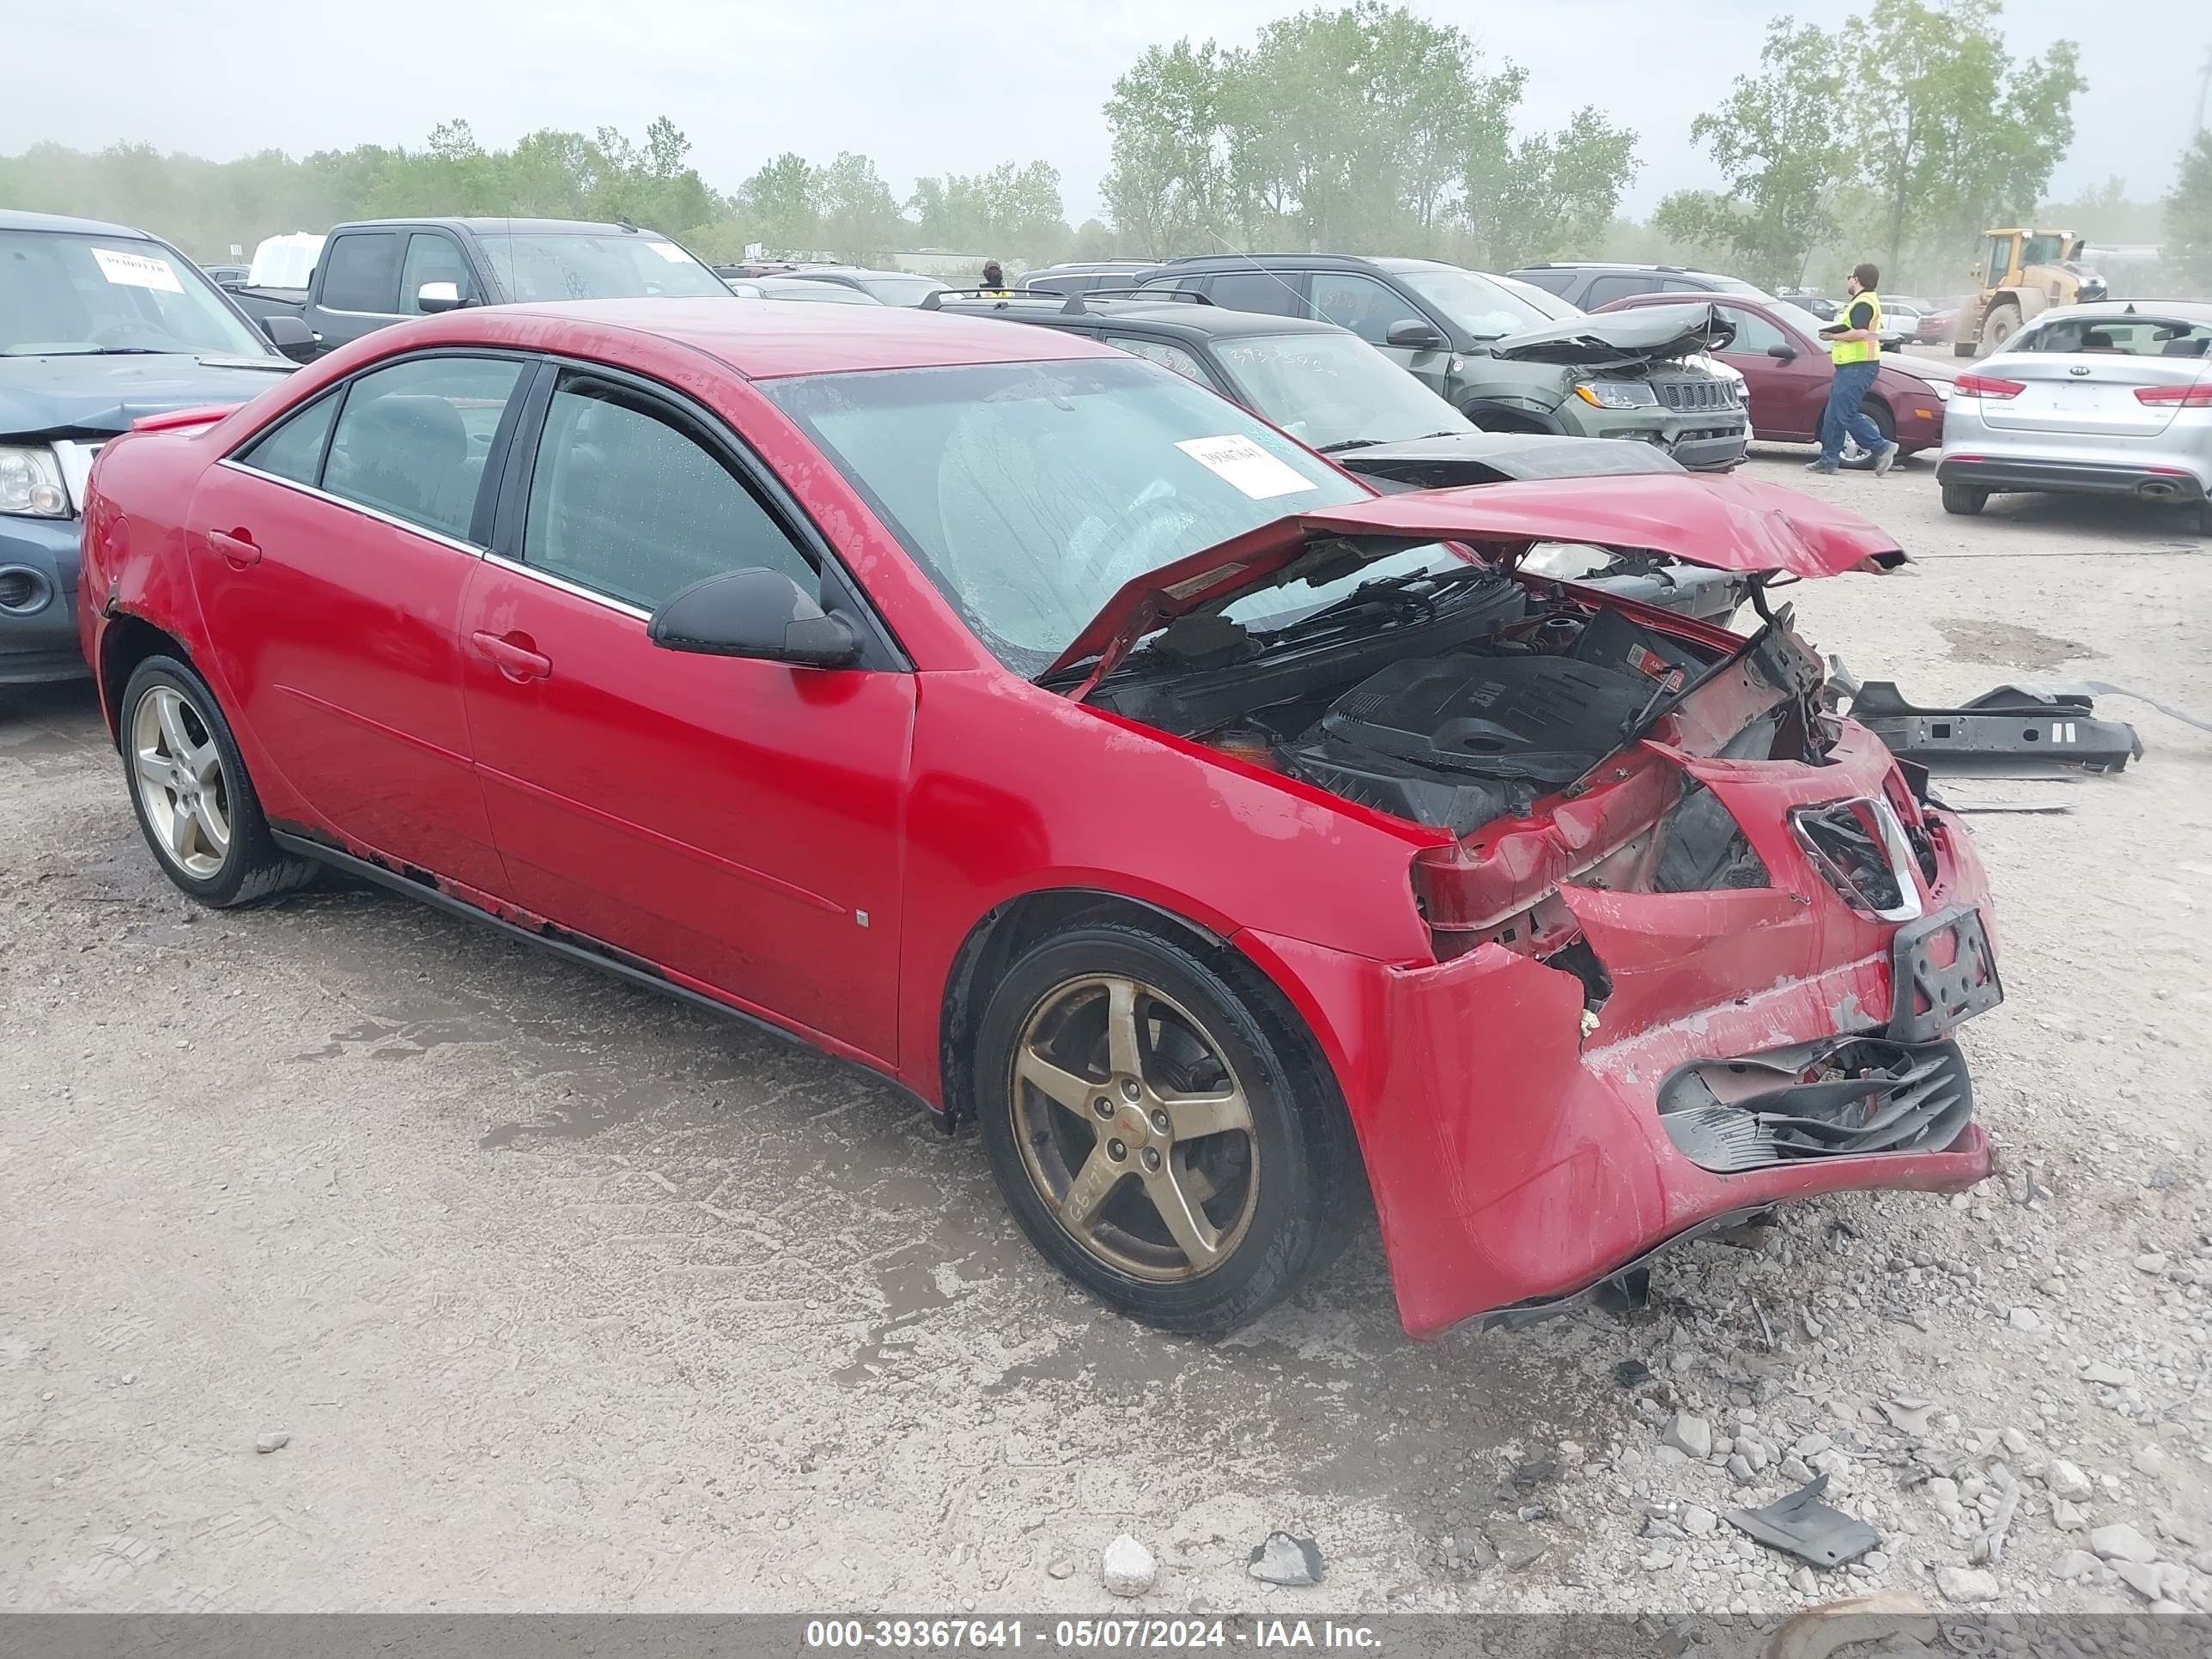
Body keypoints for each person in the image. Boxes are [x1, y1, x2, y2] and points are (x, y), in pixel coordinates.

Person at [1808, 262, 1898, 477]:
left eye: (1850, 277)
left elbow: (1860, 333)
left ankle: (1882, 447)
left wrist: (1833, 336)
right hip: (1852, 366)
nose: (1848, 281)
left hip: (1858, 366)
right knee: (1834, 414)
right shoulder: (1863, 301)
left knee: (1845, 413)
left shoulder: (1863, 303)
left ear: (1856, 279)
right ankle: (1829, 459)